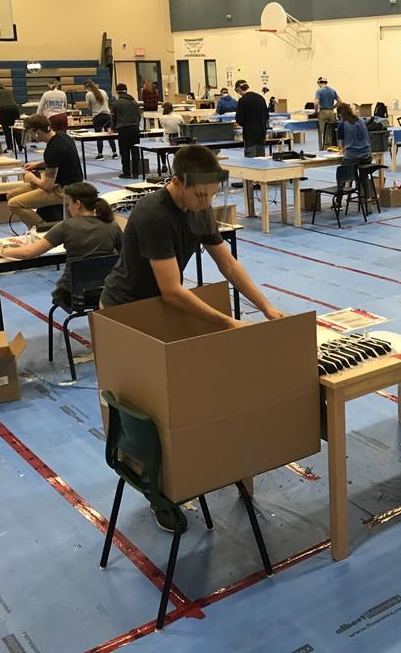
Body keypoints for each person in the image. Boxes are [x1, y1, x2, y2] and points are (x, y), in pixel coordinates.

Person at [100, 145, 284, 531]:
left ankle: (196, 466)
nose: (206, 202)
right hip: (126, 311)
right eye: (201, 195)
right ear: (178, 182)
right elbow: (172, 290)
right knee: (146, 411)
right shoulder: (152, 214)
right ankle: (157, 494)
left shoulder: (198, 208)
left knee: (184, 399)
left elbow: (227, 262)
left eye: (212, 195)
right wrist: (227, 323)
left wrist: (265, 307)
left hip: (159, 306)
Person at [0, 182, 122, 307]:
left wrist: (2, 251)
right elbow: (125, 255)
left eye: (69, 203)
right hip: (106, 292)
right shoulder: (112, 225)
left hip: (74, 296)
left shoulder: (66, 226)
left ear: (78, 204)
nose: (68, 207)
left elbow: (29, 253)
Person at [7, 114, 84, 228]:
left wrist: (32, 178)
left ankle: (44, 229)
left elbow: (47, 186)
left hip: (65, 190)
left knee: (14, 204)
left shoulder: (52, 150)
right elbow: (58, 161)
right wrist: (37, 164)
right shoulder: (62, 136)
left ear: (37, 131)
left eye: (30, 132)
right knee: (11, 195)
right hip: (70, 182)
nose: (30, 136)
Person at [111, 84, 142, 178]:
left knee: (124, 151)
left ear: (117, 92)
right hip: (135, 129)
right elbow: (139, 116)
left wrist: (113, 128)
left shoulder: (116, 103)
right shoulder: (134, 102)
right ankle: (136, 172)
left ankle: (126, 172)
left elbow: (113, 117)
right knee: (135, 150)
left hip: (123, 130)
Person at [235, 79, 269, 158]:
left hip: (249, 134)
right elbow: (267, 116)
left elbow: (239, 119)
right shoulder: (261, 98)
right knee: (261, 159)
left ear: (239, 89)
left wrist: (247, 124)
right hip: (261, 133)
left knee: (250, 161)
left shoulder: (242, 100)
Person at [85, 80, 117, 161]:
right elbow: (108, 101)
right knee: (109, 134)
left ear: (87, 87)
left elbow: (89, 107)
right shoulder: (103, 91)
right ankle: (115, 153)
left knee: (99, 135)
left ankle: (100, 154)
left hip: (97, 116)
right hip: (107, 115)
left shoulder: (88, 94)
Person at [0, 82, 20, 153]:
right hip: (15, 109)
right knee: (16, 128)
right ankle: (21, 146)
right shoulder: (9, 90)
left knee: (7, 129)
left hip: (4, 110)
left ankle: (9, 148)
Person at [315, 77, 340, 150]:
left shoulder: (319, 91)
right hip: (331, 112)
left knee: (324, 131)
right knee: (331, 131)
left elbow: (316, 103)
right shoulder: (332, 90)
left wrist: (316, 111)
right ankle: (333, 146)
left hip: (323, 112)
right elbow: (340, 101)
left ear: (319, 83)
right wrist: (333, 107)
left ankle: (326, 148)